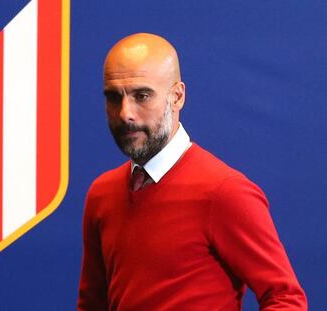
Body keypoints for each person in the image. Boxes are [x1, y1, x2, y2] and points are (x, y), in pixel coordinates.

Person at [78, 33, 307, 310]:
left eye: (142, 95)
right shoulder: (102, 194)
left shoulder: (225, 191)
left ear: (177, 97)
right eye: (114, 97)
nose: (126, 112)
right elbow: (92, 304)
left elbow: (285, 298)